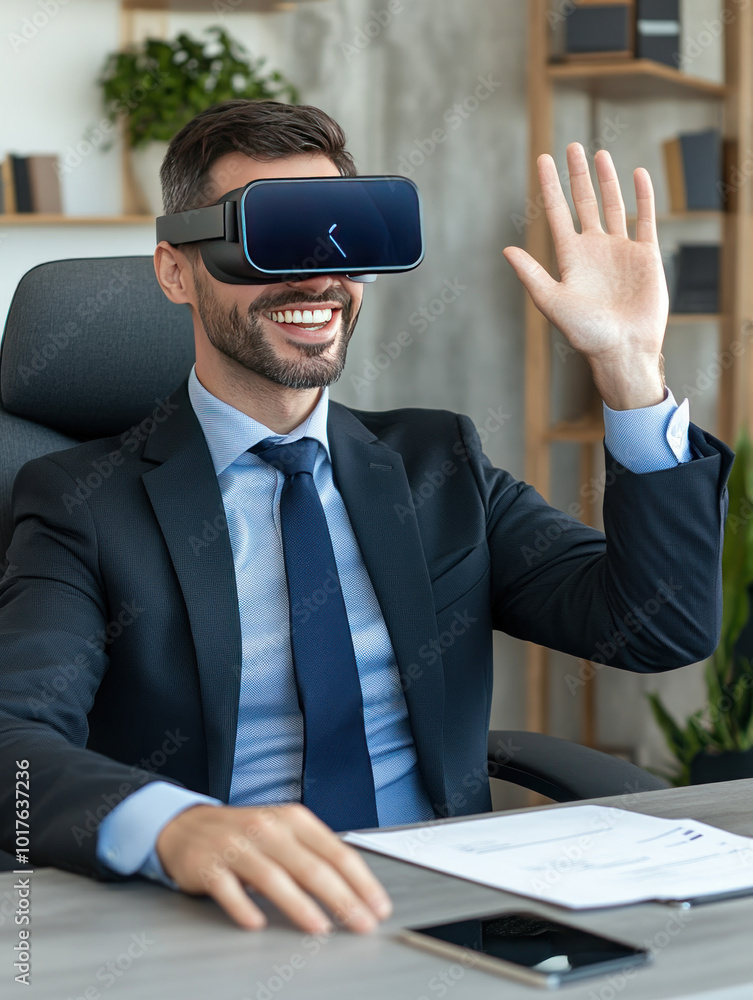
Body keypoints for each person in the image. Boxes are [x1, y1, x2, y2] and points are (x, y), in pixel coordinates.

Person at [0, 100, 732, 936]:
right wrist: (171, 825)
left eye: (340, 237)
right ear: (176, 271)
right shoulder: (82, 500)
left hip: (447, 907)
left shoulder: (437, 464)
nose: (317, 280)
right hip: (221, 916)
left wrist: (628, 367)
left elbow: (659, 628)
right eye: (273, 239)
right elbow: (13, 738)